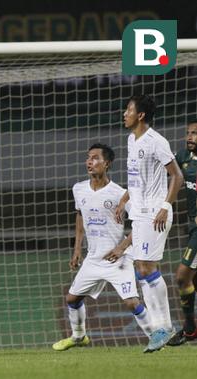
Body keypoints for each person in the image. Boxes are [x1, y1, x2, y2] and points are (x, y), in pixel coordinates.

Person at [52, 144, 154, 351]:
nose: (89, 162)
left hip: (118, 258)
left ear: (107, 164)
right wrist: (77, 249)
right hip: (93, 258)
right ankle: (79, 337)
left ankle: (156, 336)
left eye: (95, 158)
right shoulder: (78, 189)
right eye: (88, 158)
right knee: (72, 298)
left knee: (132, 303)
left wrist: (122, 248)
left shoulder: (120, 194)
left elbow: (142, 223)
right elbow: (80, 216)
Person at [114, 95, 184, 352]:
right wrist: (124, 200)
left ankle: (163, 327)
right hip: (140, 211)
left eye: (129, 110)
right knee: (141, 267)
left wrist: (166, 207)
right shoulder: (131, 139)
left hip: (156, 212)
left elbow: (176, 175)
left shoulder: (157, 141)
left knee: (146, 266)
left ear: (140, 115)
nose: (124, 114)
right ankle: (161, 329)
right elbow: (135, 179)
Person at [167, 121, 197, 345]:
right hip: (192, 227)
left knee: (181, 276)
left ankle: (189, 328)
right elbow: (167, 171)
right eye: (188, 133)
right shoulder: (184, 156)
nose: (190, 137)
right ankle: (190, 330)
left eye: (195, 133)